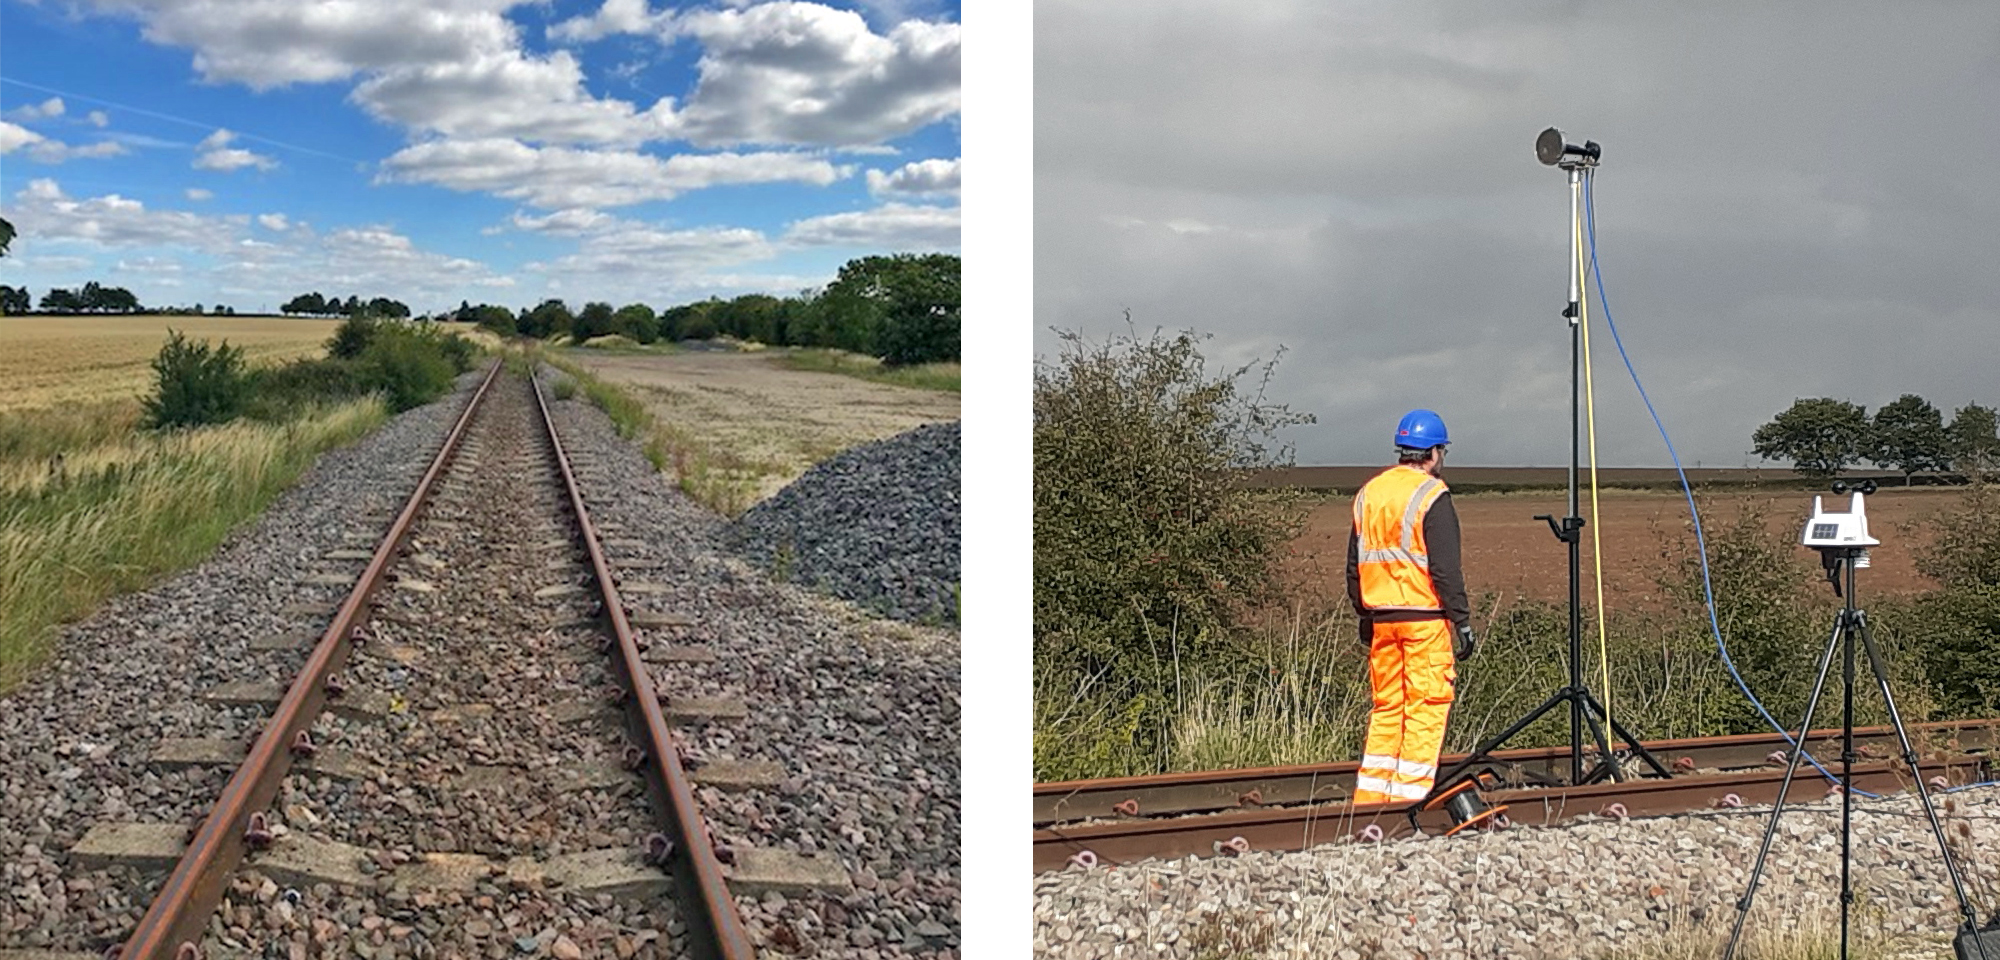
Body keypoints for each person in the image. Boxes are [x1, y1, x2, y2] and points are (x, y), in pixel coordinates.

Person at [1346, 409, 1476, 804]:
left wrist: (1365, 615)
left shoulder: (1370, 493)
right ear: (1434, 453)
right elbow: (1444, 568)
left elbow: (1355, 565)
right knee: (1425, 706)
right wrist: (1463, 620)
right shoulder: (1433, 496)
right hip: (1425, 622)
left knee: (1387, 707)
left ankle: (1372, 799)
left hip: (1382, 621)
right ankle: (1409, 799)